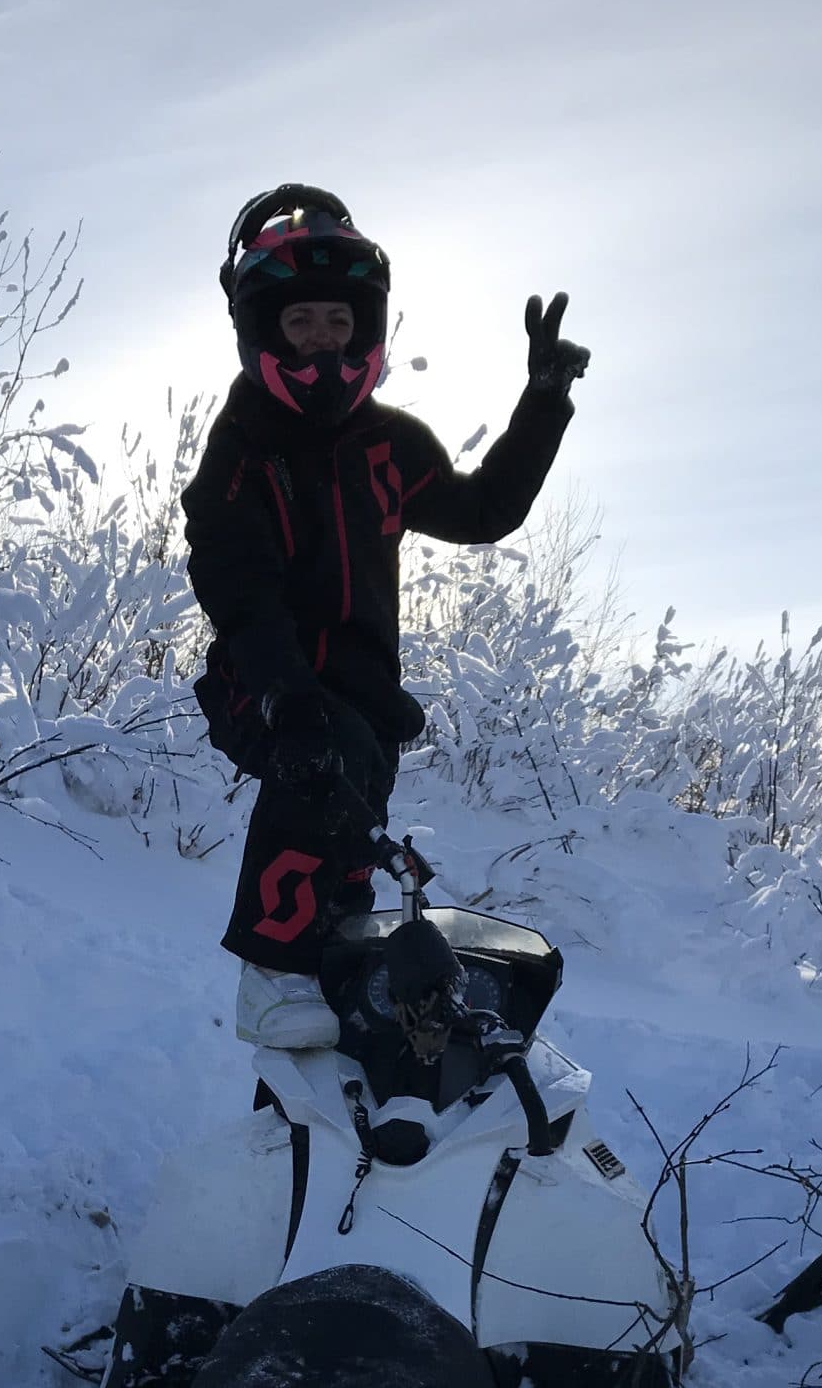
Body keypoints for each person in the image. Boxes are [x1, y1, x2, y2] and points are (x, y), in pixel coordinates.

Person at [182, 183, 589, 1049]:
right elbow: (234, 580)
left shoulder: (390, 442)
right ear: (264, 331)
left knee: (357, 793)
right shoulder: (242, 444)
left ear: (366, 327)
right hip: (262, 677)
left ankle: (331, 958)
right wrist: (283, 695)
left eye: (337, 322)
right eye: (300, 325)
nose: (322, 342)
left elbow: (486, 511)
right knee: (320, 758)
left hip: (361, 690)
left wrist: (544, 400)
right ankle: (271, 975)